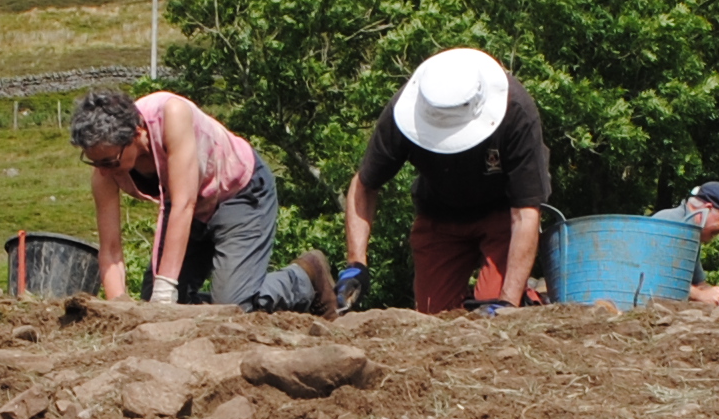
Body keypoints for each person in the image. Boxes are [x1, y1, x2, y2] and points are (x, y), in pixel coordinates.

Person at [66, 86, 337, 315]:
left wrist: (165, 289)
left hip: (239, 194)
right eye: (94, 161)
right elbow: (111, 250)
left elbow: (184, 203)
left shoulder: (172, 114)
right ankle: (215, 306)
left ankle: (304, 277)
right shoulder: (103, 172)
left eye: (109, 161)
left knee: (232, 307)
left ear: (136, 134)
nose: (102, 170)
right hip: (188, 212)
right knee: (154, 306)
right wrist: (120, 309)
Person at [347, 48, 548, 315]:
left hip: (503, 215)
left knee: (494, 306)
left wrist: (508, 302)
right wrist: (356, 264)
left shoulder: (515, 111)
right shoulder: (404, 110)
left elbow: (525, 214)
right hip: (439, 214)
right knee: (434, 315)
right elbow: (364, 185)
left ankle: (530, 298)